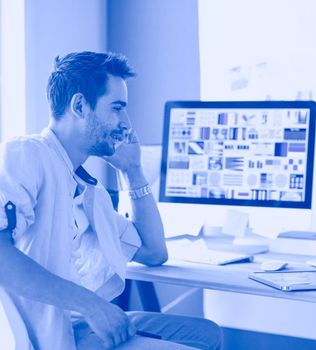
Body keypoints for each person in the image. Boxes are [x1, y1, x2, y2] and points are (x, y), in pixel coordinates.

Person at [0, 51, 222, 349]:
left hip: (80, 327)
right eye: (117, 108)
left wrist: (132, 170)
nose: (127, 124)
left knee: (205, 334)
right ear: (80, 105)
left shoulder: (89, 191)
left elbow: (154, 252)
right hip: (51, 337)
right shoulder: (27, 154)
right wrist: (91, 305)